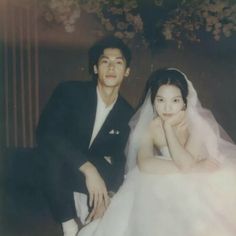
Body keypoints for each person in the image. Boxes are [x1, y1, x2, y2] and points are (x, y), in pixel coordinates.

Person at [78, 68, 236, 236]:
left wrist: (169, 132)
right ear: (153, 101)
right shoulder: (152, 126)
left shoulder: (195, 124)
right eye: (161, 100)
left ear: (185, 102)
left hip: (205, 174)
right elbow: (145, 164)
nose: (167, 107)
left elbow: (186, 163)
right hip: (187, 168)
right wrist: (169, 129)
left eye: (175, 100)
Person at [36, 36, 134, 236]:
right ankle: (68, 224)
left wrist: (109, 195)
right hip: (61, 165)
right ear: (96, 68)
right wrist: (88, 169)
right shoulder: (69, 91)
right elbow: (47, 133)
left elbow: (118, 159)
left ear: (126, 72)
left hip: (88, 170)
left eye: (118, 62)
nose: (111, 67)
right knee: (51, 154)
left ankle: (97, 207)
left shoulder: (127, 114)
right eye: (105, 61)